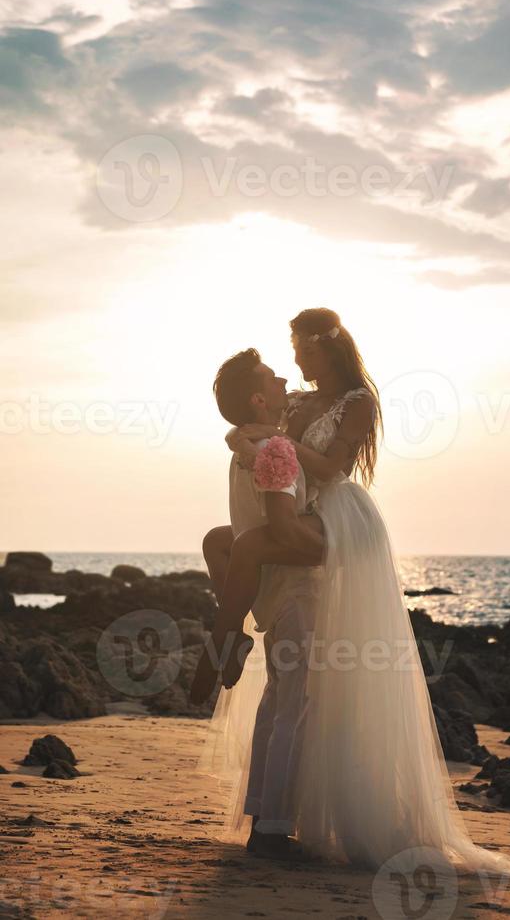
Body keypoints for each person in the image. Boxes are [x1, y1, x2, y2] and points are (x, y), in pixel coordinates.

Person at [200, 308, 510, 879]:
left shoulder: (357, 403)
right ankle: (268, 822)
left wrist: (274, 443)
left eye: (300, 350)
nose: (294, 363)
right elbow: (252, 428)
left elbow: (331, 462)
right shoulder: (291, 403)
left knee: (294, 685)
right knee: (286, 688)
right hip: (296, 515)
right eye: (290, 353)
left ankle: (227, 643)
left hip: (337, 523)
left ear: (323, 350)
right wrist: (252, 437)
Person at [194, 348, 325, 860]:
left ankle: (261, 816)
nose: (284, 379)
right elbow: (284, 531)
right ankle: (271, 830)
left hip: (269, 591)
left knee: (277, 702)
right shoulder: (275, 451)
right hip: (297, 587)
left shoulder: (246, 449)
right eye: (273, 378)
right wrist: (339, 542)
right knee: (295, 704)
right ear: (257, 396)